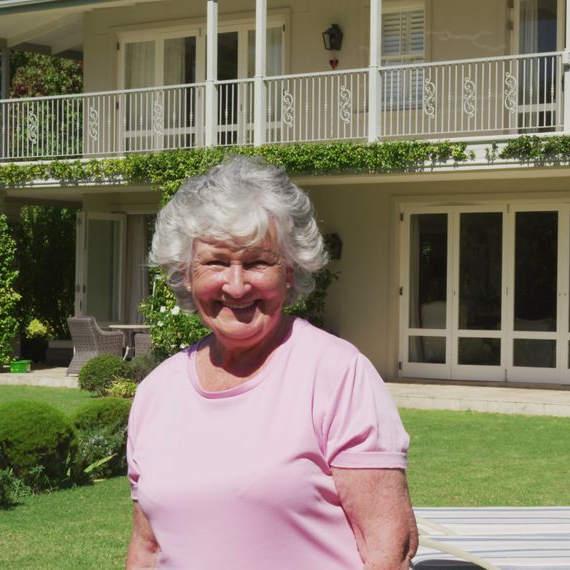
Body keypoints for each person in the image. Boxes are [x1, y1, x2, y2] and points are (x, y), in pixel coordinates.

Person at [126, 156, 416, 569]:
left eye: (258, 261)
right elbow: (147, 547)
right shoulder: (157, 392)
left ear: (291, 273)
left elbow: (389, 548)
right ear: (186, 274)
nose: (237, 284)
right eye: (216, 262)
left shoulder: (336, 374)